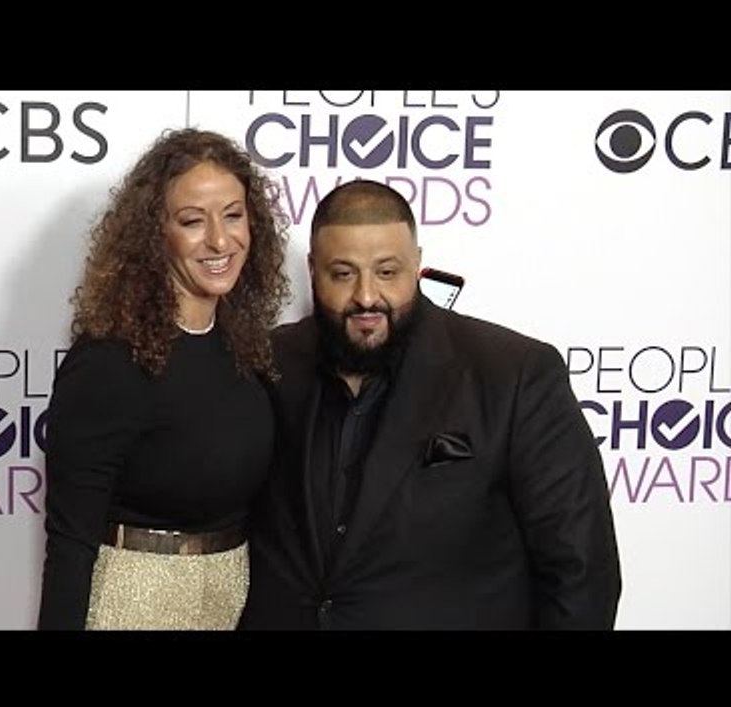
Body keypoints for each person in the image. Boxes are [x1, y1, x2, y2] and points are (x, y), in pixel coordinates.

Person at [239, 179, 622, 630]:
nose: (366, 296)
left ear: (417, 266)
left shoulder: (514, 374)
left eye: (387, 272)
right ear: (313, 270)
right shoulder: (268, 362)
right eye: (342, 274)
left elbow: (581, 572)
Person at [37, 128, 290, 630]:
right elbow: (70, 538)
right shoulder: (109, 361)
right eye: (192, 221)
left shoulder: (247, 346)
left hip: (230, 601)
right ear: (156, 235)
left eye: (234, 215)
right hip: (130, 604)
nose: (220, 240)